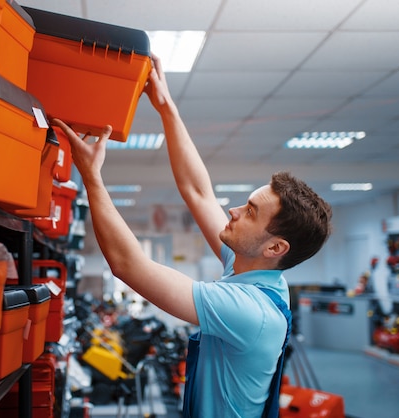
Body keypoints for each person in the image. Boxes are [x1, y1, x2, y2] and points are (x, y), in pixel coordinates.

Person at [52, 55, 333, 418]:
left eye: (250, 212)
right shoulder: (254, 271)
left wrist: (91, 177)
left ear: (275, 247)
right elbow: (199, 192)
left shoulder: (248, 310)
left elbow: (127, 265)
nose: (233, 211)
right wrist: (166, 106)